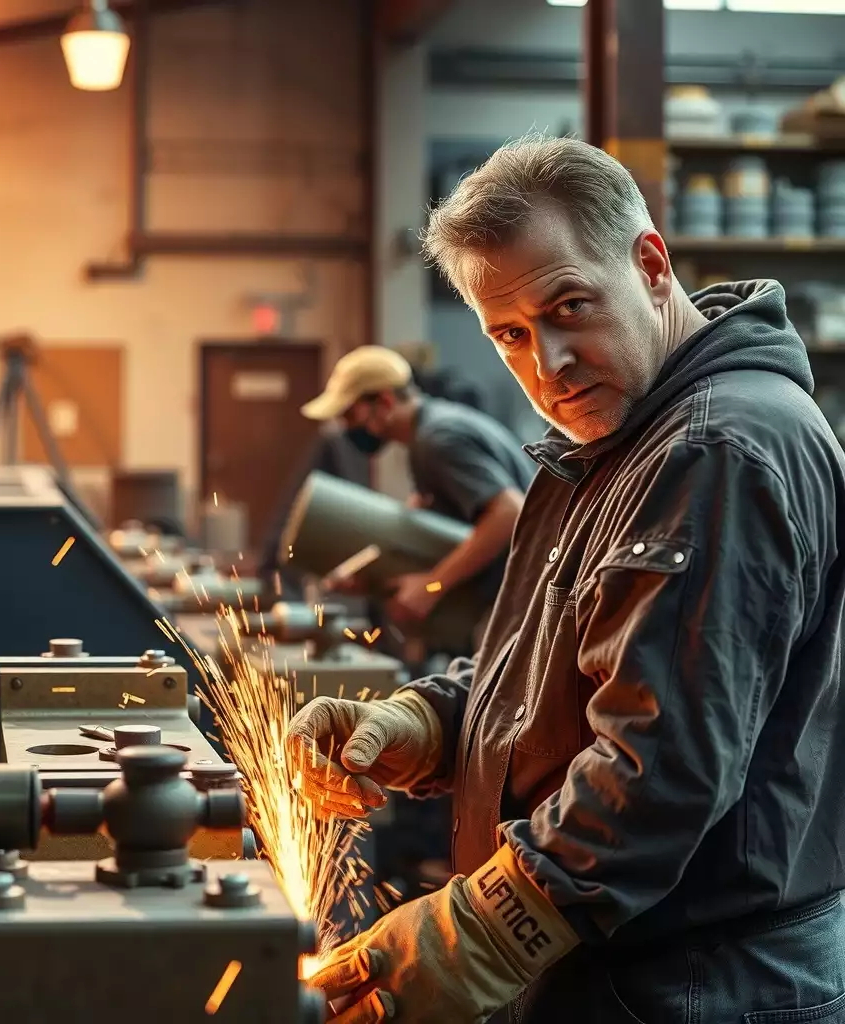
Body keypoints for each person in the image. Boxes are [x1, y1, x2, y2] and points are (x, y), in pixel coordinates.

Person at [288, 134, 845, 1024]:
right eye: (510, 334)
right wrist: (425, 722)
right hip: (633, 968)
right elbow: (569, 668)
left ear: (652, 265)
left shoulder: (716, 451)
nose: (547, 363)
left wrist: (486, 929)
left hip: (700, 984)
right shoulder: (614, 444)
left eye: (571, 306)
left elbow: (657, 765)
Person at [300, 346, 534, 627]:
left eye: (350, 416)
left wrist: (432, 586)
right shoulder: (428, 432)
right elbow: (446, 534)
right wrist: (371, 578)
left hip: (523, 599)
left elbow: (509, 513)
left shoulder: (438, 440)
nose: (346, 427)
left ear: (385, 402)